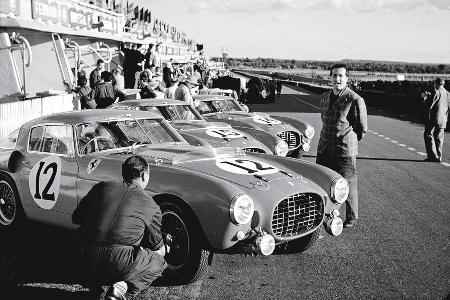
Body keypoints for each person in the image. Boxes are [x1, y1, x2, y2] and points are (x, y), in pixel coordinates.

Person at [72, 156, 169, 300]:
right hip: (118, 261)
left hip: (82, 255)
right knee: (159, 262)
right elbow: (156, 246)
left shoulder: (101, 187)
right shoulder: (151, 205)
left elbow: (76, 218)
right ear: (143, 175)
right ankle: (121, 288)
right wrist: (165, 247)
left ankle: (90, 280)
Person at [316, 64, 367, 229]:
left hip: (344, 151)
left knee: (348, 185)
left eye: (341, 76)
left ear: (347, 79)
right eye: (334, 75)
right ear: (329, 77)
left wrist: (348, 140)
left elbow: (362, 128)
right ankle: (324, 215)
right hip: (324, 148)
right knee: (322, 183)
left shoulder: (354, 99)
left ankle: (352, 218)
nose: (337, 79)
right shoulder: (324, 96)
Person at [421, 78, 449, 162]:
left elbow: (428, 105)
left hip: (433, 118)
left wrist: (424, 97)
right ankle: (439, 156)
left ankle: (432, 156)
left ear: (436, 84)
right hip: (443, 119)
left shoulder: (435, 92)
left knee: (428, 135)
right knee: (439, 138)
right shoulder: (447, 93)